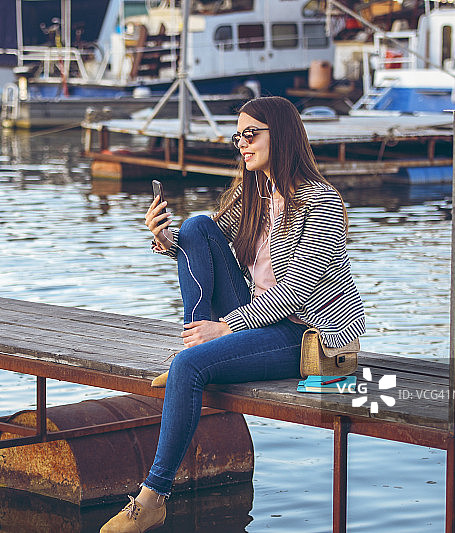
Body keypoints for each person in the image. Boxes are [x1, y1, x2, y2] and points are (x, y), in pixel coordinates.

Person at [99, 96, 365, 533]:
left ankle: (151, 499)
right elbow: (203, 250)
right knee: (197, 226)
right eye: (237, 136)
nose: (241, 143)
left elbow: (297, 292)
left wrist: (224, 327)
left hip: (307, 335)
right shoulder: (255, 193)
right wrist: (167, 240)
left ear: (281, 135)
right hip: (262, 319)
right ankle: (192, 347)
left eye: (250, 134)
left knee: (189, 366)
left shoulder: (321, 201)